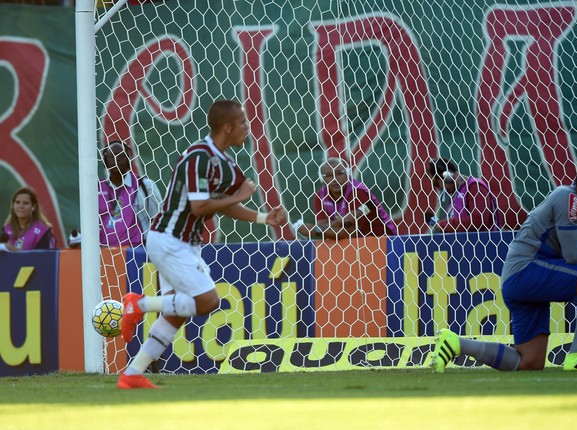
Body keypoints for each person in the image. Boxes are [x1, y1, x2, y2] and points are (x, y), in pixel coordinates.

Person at [117, 99, 287, 389]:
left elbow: (222, 207)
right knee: (207, 301)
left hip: (186, 243)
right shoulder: (199, 156)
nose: (248, 128)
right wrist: (239, 196)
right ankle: (138, 304)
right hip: (169, 238)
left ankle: (133, 373)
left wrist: (263, 218)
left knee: (176, 314)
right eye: (244, 124)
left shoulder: (227, 165)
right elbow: (199, 207)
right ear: (227, 127)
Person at [432, 154, 577, 373]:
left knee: (529, 363)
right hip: (527, 271)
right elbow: (572, 255)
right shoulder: (568, 198)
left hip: (522, 278)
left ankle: (455, 343)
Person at [295, 158, 397, 239]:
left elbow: (348, 233)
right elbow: (324, 227)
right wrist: (340, 221)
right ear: (322, 179)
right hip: (354, 246)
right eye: (328, 175)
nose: (334, 179)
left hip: (382, 241)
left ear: (348, 174)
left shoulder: (359, 193)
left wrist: (316, 230)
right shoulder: (320, 196)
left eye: (339, 173)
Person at [98, 140, 162, 247]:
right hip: (104, 255)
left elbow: (159, 221)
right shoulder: (97, 189)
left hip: (137, 252)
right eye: (111, 157)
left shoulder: (145, 186)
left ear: (129, 160)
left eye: (120, 156)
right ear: (105, 162)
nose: (116, 160)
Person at [425, 157, 502, 232]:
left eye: (436, 183)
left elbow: (477, 220)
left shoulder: (475, 187)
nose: (438, 188)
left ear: (447, 176)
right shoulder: (456, 194)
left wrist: (443, 225)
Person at [1, 186, 56, 252]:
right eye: (17, 202)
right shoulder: (7, 228)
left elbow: (45, 258)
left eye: (25, 203)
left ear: (33, 206)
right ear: (13, 205)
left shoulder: (43, 230)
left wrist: (13, 250)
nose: (21, 206)